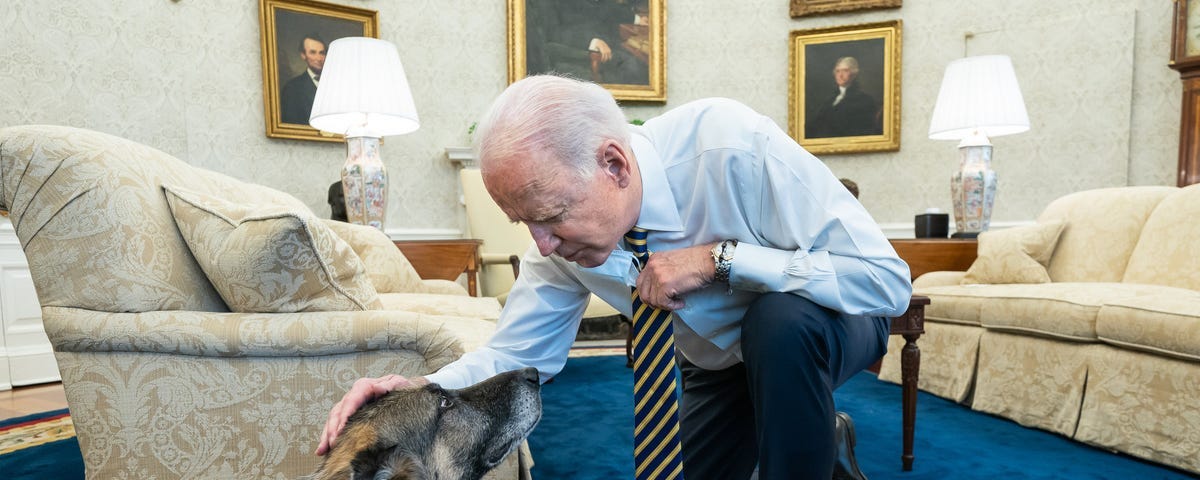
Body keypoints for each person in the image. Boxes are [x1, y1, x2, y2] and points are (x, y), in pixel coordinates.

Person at [316, 75, 912, 479]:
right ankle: (814, 432)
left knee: (779, 323)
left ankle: (797, 425)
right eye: (524, 223)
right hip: (715, 367)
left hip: (833, 323)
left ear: (614, 164)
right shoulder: (558, 248)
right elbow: (518, 354)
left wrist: (722, 259)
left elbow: (887, 283)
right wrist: (420, 390)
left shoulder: (731, 147)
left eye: (550, 217)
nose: (541, 244)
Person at [524, 0, 649, 85]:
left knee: (640, 64)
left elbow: (605, 8)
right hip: (577, 54)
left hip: (607, 44)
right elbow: (552, 33)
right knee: (634, 66)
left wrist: (636, 19)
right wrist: (592, 41)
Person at [807, 56, 882, 139]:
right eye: (837, 71)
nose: (840, 75)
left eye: (845, 71)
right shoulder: (829, 100)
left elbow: (863, 131)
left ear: (854, 74)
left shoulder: (865, 100)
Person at [280, 34, 326, 125]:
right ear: (303, 55)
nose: (319, 58)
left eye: (322, 53)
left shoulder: (337, 85)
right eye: (313, 52)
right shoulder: (292, 88)